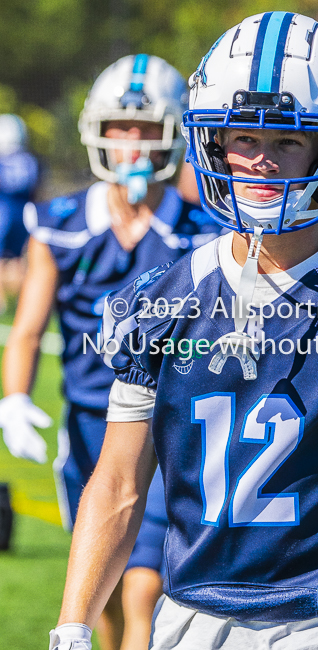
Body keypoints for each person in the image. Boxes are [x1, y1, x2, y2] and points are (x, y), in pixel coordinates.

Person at [49, 13, 318, 650]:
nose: (261, 161)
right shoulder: (159, 301)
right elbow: (119, 483)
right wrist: (72, 625)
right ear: (211, 143)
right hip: (194, 611)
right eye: (243, 138)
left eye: (289, 142)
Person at [0, 54, 219, 650]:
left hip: (169, 428)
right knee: (106, 597)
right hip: (90, 426)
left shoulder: (203, 229)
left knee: (145, 585)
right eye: (119, 126)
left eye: (146, 128)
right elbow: (26, 328)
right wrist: (14, 398)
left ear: (176, 133)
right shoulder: (63, 223)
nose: (130, 142)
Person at [0, 114, 40, 313]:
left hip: (3, 214)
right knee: (17, 260)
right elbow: (35, 191)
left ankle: (2, 304)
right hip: (24, 214)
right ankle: (18, 304)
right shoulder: (30, 160)